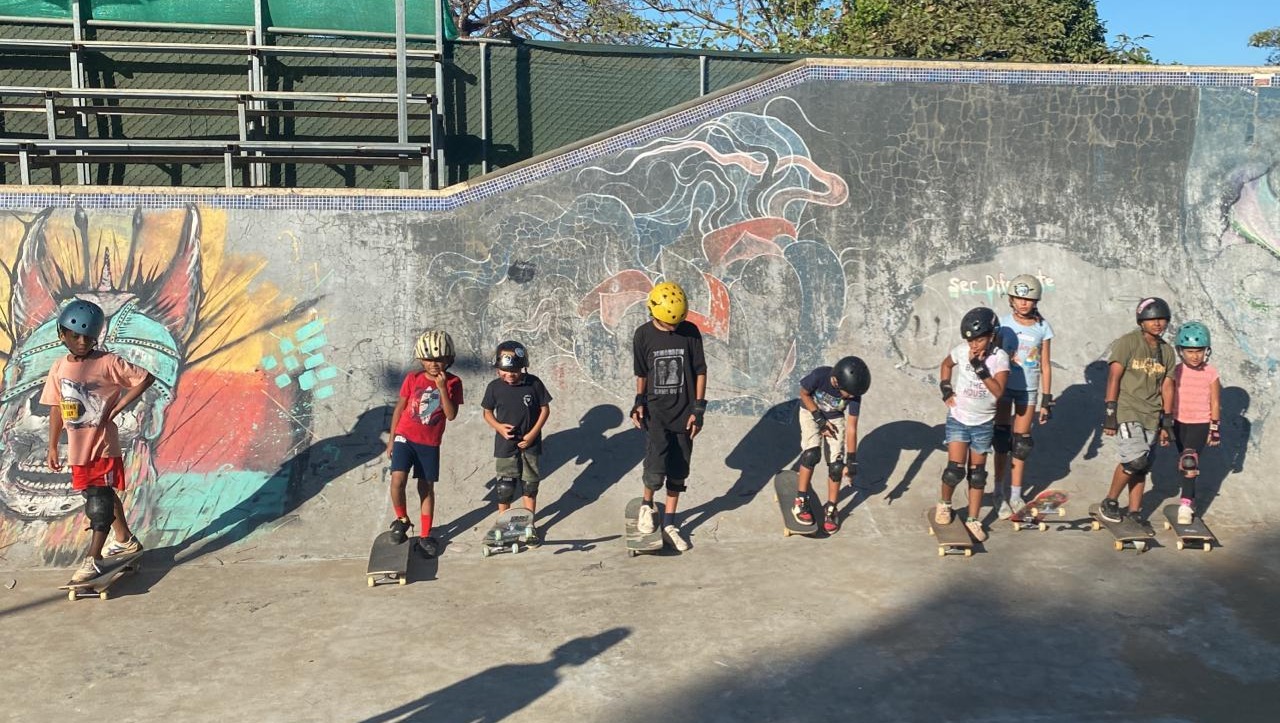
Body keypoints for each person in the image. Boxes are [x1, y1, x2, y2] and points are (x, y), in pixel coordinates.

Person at [41, 300, 155, 583]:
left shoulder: (108, 362)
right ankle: (125, 540)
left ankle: (93, 558)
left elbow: (145, 378)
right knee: (98, 492)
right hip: (77, 449)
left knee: (98, 500)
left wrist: (120, 406)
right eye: (75, 336)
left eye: (88, 337)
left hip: (101, 444)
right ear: (62, 333)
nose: (82, 342)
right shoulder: (58, 367)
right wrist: (52, 445)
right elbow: (56, 407)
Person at [630, 281, 707, 552]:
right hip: (656, 414)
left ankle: (670, 523)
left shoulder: (690, 332)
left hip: (684, 414)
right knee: (655, 467)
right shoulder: (643, 335)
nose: (673, 327)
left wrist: (699, 409)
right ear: (653, 312)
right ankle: (647, 506)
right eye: (668, 323)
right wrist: (638, 402)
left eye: (677, 322)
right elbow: (642, 373)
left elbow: (700, 371)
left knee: (679, 470)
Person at [1098, 298, 1177, 524]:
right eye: (1152, 319)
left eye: (1162, 319)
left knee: (1142, 467)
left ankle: (1134, 512)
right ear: (1141, 321)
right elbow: (1114, 376)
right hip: (1128, 409)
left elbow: (1167, 386)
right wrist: (1110, 412)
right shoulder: (1128, 342)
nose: (1157, 323)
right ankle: (1110, 501)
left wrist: (1167, 421)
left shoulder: (1167, 351)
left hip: (1152, 414)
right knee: (1135, 461)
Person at [385, 330, 462, 558]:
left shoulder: (454, 382)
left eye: (439, 359)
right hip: (405, 437)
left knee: (425, 488)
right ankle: (402, 520)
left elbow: (451, 415)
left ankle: (426, 534)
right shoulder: (413, 378)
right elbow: (400, 408)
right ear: (420, 359)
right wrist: (391, 439)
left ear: (449, 359)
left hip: (429, 444)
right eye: (428, 359)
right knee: (397, 480)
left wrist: (442, 388)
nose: (434, 364)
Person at [937, 307, 1009, 542]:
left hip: (983, 423)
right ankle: (945, 504)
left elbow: (998, 392)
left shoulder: (999, 358)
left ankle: (973, 519)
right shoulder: (961, 351)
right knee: (954, 470)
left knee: (977, 475)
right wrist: (946, 388)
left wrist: (981, 369)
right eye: (970, 341)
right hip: (959, 418)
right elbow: (945, 365)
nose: (974, 346)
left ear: (992, 336)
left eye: (979, 340)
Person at [992, 274, 1055, 518]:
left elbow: (1046, 365)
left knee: (1021, 444)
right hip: (1004, 387)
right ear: (1011, 299)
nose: (1023, 303)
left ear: (1036, 301)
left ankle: (1016, 494)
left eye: (1028, 299)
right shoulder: (1003, 324)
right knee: (1001, 440)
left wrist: (1046, 399)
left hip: (1028, 389)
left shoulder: (1043, 328)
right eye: (1019, 298)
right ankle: (998, 491)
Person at [481, 340, 553, 542]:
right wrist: (499, 427)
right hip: (505, 444)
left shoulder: (534, 383)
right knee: (505, 487)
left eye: (514, 370)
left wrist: (532, 434)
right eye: (505, 371)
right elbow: (487, 412)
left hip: (530, 443)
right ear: (498, 369)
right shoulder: (494, 388)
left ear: (523, 368)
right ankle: (503, 524)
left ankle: (530, 525)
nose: (510, 375)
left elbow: (545, 409)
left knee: (530, 485)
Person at [792, 356, 871, 533]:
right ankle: (801, 500)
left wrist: (851, 461)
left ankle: (831, 507)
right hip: (810, 412)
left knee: (837, 466)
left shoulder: (854, 392)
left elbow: (852, 427)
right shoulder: (820, 376)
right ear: (836, 381)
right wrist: (820, 421)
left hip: (835, 418)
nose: (851, 397)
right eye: (848, 394)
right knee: (811, 454)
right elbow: (803, 394)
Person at [1171, 321, 1221, 525]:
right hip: (1178, 422)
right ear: (1181, 351)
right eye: (1190, 351)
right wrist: (1164, 423)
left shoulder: (1211, 373)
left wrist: (1214, 427)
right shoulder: (1176, 371)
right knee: (1185, 464)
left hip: (1200, 422)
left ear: (1206, 351)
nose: (1195, 356)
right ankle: (1189, 497)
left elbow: (1215, 401)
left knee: (1189, 460)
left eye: (1199, 351)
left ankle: (1185, 505)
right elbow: (1168, 396)